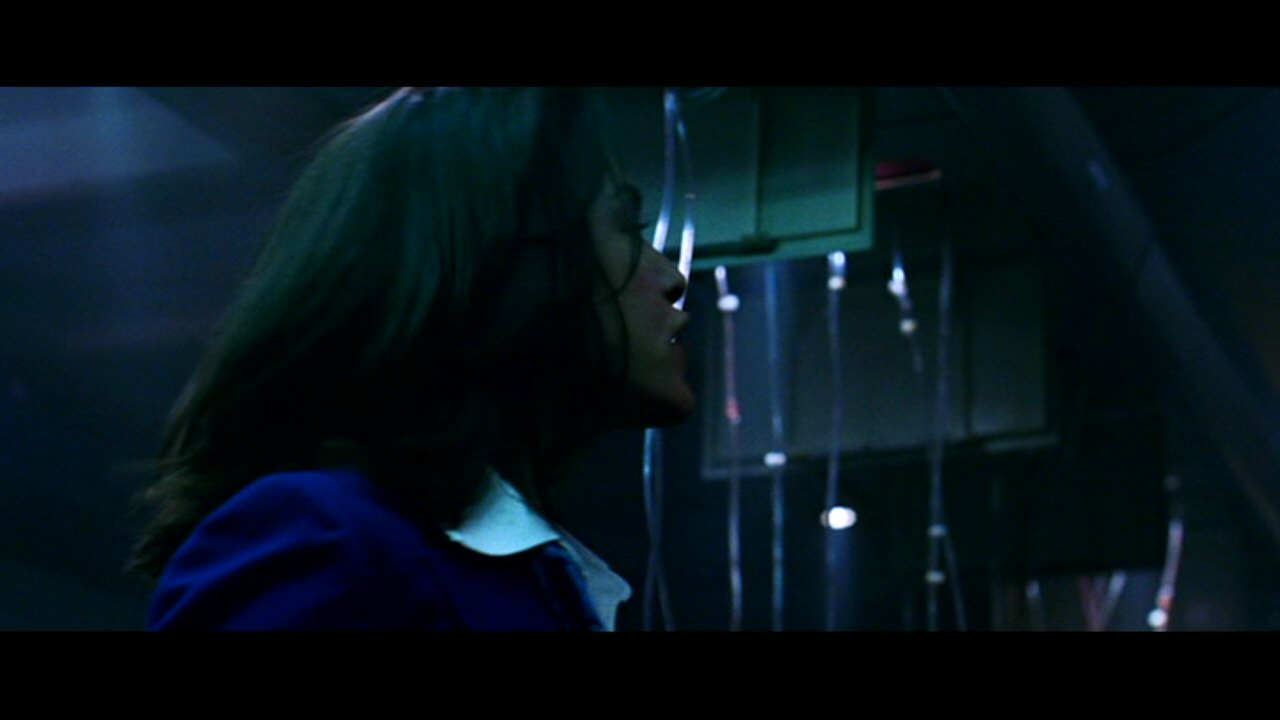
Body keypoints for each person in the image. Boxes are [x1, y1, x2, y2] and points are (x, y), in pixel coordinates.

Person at [127, 87, 694, 630]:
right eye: (626, 226)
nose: (672, 278)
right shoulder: (325, 539)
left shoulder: (534, 576)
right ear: (499, 258)